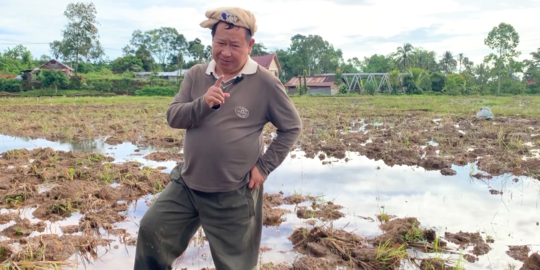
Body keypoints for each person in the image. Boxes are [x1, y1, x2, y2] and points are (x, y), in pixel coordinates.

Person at [134, 7, 302, 270]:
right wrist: (202, 104)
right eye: (220, 43)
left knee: (236, 265)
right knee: (152, 229)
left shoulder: (266, 83)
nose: (225, 51)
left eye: (234, 45)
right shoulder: (196, 74)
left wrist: (264, 166)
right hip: (188, 184)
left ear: (250, 45)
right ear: (212, 41)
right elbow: (174, 116)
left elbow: (291, 127)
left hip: (233, 192)